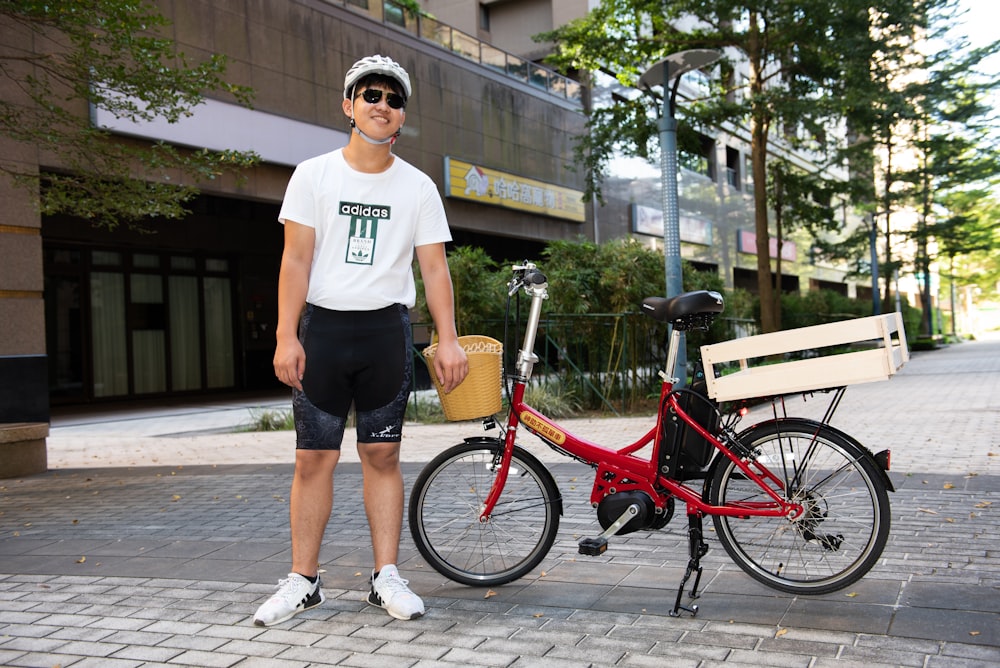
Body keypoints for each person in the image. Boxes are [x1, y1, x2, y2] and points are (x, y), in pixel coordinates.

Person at [253, 54, 469, 626]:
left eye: (394, 99)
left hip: (384, 332)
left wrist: (448, 340)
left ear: (402, 118)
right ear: (349, 105)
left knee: (382, 453)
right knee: (312, 459)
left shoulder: (418, 187)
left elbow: (435, 270)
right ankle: (303, 580)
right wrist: (284, 335)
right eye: (371, 95)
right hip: (323, 330)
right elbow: (295, 260)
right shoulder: (313, 174)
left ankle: (385, 577)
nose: (382, 105)